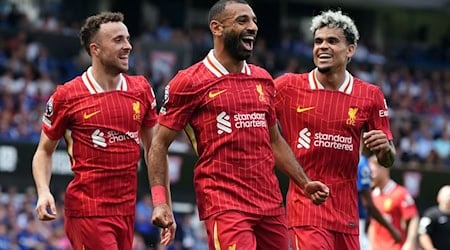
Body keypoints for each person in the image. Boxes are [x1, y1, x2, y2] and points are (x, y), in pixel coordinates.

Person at [149, 0, 330, 249]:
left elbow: (274, 140)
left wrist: (304, 182)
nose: (253, 27)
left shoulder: (263, 79)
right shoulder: (189, 82)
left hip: (270, 203)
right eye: (242, 20)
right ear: (217, 28)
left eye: (254, 21)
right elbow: (158, 144)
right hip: (225, 204)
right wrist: (160, 202)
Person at [32, 12, 159, 250]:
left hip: (126, 211)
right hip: (88, 212)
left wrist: (161, 201)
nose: (128, 46)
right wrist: (43, 191)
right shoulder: (67, 96)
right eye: (118, 40)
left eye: (128, 39)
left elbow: (155, 149)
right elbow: (43, 151)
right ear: (95, 49)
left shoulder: (141, 89)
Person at [273, 10, 396, 250]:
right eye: (318, 41)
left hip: (347, 216)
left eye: (332, 41)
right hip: (306, 211)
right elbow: (252, 108)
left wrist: (384, 149)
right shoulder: (288, 87)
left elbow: (388, 158)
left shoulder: (370, 96)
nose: (322, 47)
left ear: (350, 50)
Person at [368, 154, 419, 250]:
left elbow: (413, 218)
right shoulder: (372, 196)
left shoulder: (401, 193)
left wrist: (410, 243)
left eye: (372, 172)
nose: (370, 176)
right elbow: (372, 224)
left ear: (384, 169)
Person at [357, 154, 401, 250]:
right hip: (355, 225)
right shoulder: (362, 163)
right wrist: (392, 230)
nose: (372, 175)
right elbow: (368, 204)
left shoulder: (400, 193)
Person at [418, 185, 450, 250]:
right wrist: (430, 248)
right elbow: (423, 233)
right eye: (447, 195)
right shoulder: (431, 215)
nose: (449, 198)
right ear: (439, 197)